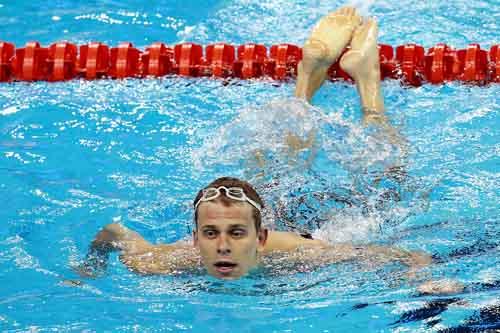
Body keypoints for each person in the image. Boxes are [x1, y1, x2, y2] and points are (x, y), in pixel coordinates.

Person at [77, 7, 462, 294]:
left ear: (260, 238)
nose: (223, 246)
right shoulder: (162, 262)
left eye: (235, 233)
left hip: (317, 228)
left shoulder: (298, 255)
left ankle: (367, 82)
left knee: (389, 181)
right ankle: (308, 78)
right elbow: (113, 233)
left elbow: (402, 256)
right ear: (193, 239)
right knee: (272, 177)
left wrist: (423, 280)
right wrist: (87, 269)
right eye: (210, 233)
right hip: (270, 210)